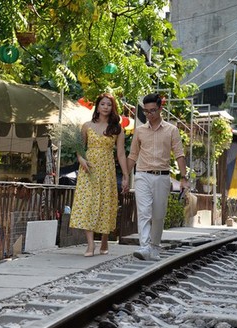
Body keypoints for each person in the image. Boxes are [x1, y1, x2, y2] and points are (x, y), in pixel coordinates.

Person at [127, 93, 188, 261]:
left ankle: (154, 247)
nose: (149, 115)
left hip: (162, 176)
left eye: (153, 111)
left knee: (158, 215)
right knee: (144, 212)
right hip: (142, 175)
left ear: (160, 108)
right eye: (146, 112)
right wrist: (126, 175)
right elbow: (132, 155)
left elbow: (179, 154)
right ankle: (144, 246)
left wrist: (183, 178)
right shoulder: (139, 131)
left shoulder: (171, 130)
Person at [69, 93, 129, 257]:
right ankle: (90, 245)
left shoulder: (117, 128)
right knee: (87, 203)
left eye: (109, 105)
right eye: (103, 104)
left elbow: (121, 154)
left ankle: (104, 239)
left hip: (107, 170)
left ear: (113, 108)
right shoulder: (86, 126)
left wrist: (125, 175)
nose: (105, 107)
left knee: (105, 204)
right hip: (88, 169)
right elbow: (80, 150)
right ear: (98, 106)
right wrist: (81, 160)